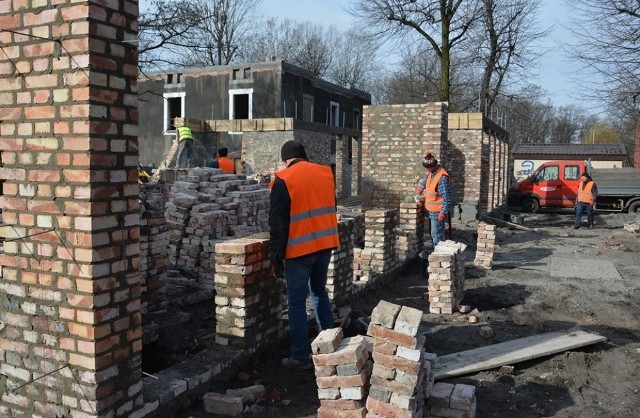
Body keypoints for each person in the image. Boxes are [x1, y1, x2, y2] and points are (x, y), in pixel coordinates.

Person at [269, 140, 339, 370]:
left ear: (285, 160)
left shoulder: (283, 179)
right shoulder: (326, 173)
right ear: (305, 156)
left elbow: (277, 223)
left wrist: (275, 258)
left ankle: (300, 357)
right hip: (325, 244)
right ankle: (331, 344)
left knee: (297, 303)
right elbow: (331, 206)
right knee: (319, 292)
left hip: (299, 250)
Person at [416, 152, 452, 247]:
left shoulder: (442, 178)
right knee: (432, 234)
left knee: (437, 235)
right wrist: (421, 187)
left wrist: (443, 212)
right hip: (430, 210)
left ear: (433, 166)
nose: (427, 170)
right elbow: (426, 179)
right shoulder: (432, 172)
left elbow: (447, 198)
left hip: (437, 212)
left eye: (428, 168)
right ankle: (434, 253)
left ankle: (438, 256)